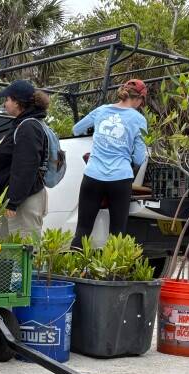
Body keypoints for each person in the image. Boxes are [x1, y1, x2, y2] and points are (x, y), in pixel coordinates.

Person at [71, 79, 148, 248]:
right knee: (117, 233)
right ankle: (113, 275)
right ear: (138, 99)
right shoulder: (139, 119)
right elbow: (139, 159)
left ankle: (73, 272)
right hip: (120, 179)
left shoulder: (101, 110)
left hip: (93, 175)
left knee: (82, 229)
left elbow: (76, 129)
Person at [0, 80, 50, 238]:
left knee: (26, 254)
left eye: (7, 99)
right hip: (18, 199)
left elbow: (26, 167)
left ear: (17, 102)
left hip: (24, 201)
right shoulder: (22, 124)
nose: (5, 103)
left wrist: (13, 201)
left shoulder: (28, 127)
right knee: (13, 252)